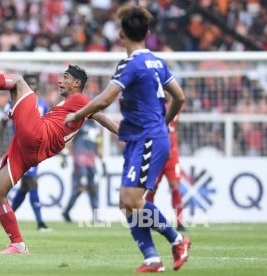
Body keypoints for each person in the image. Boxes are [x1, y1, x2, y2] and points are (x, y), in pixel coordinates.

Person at [64, 5, 190, 273]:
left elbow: (105, 99)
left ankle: (178, 240)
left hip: (147, 139)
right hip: (144, 138)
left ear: (121, 34)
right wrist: (164, 124)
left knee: (132, 200)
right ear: (147, 33)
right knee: (126, 202)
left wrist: (78, 114)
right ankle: (152, 259)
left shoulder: (130, 64)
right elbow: (179, 96)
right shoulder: (158, 62)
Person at [0, 63, 118, 254]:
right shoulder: (71, 105)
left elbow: (100, 115)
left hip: (38, 137)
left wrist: (122, 133)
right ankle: (18, 244)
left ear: (77, 83)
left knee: (18, 81)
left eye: (65, 77)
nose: (60, 80)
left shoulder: (79, 99)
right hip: (30, 152)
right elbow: (89, 115)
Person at [0, 74, 51, 232]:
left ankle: (6, 216)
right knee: (32, 183)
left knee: (25, 188)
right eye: (29, 83)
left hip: (36, 149)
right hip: (21, 149)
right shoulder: (13, 104)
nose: (32, 86)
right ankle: (41, 223)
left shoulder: (43, 105)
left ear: (37, 87)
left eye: (34, 83)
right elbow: (0, 126)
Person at [146, 93, 186, 232]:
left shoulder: (176, 107)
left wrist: (175, 146)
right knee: (152, 188)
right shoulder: (153, 108)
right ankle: (149, 220)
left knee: (175, 187)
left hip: (172, 155)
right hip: (157, 154)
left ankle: (180, 223)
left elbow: (176, 129)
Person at [61, 119, 106, 223]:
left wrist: (103, 164)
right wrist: (65, 154)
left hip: (91, 161)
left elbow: (98, 146)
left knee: (94, 187)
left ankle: (95, 216)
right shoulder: (80, 124)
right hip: (79, 159)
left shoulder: (97, 128)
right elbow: (70, 140)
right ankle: (67, 211)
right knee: (81, 186)